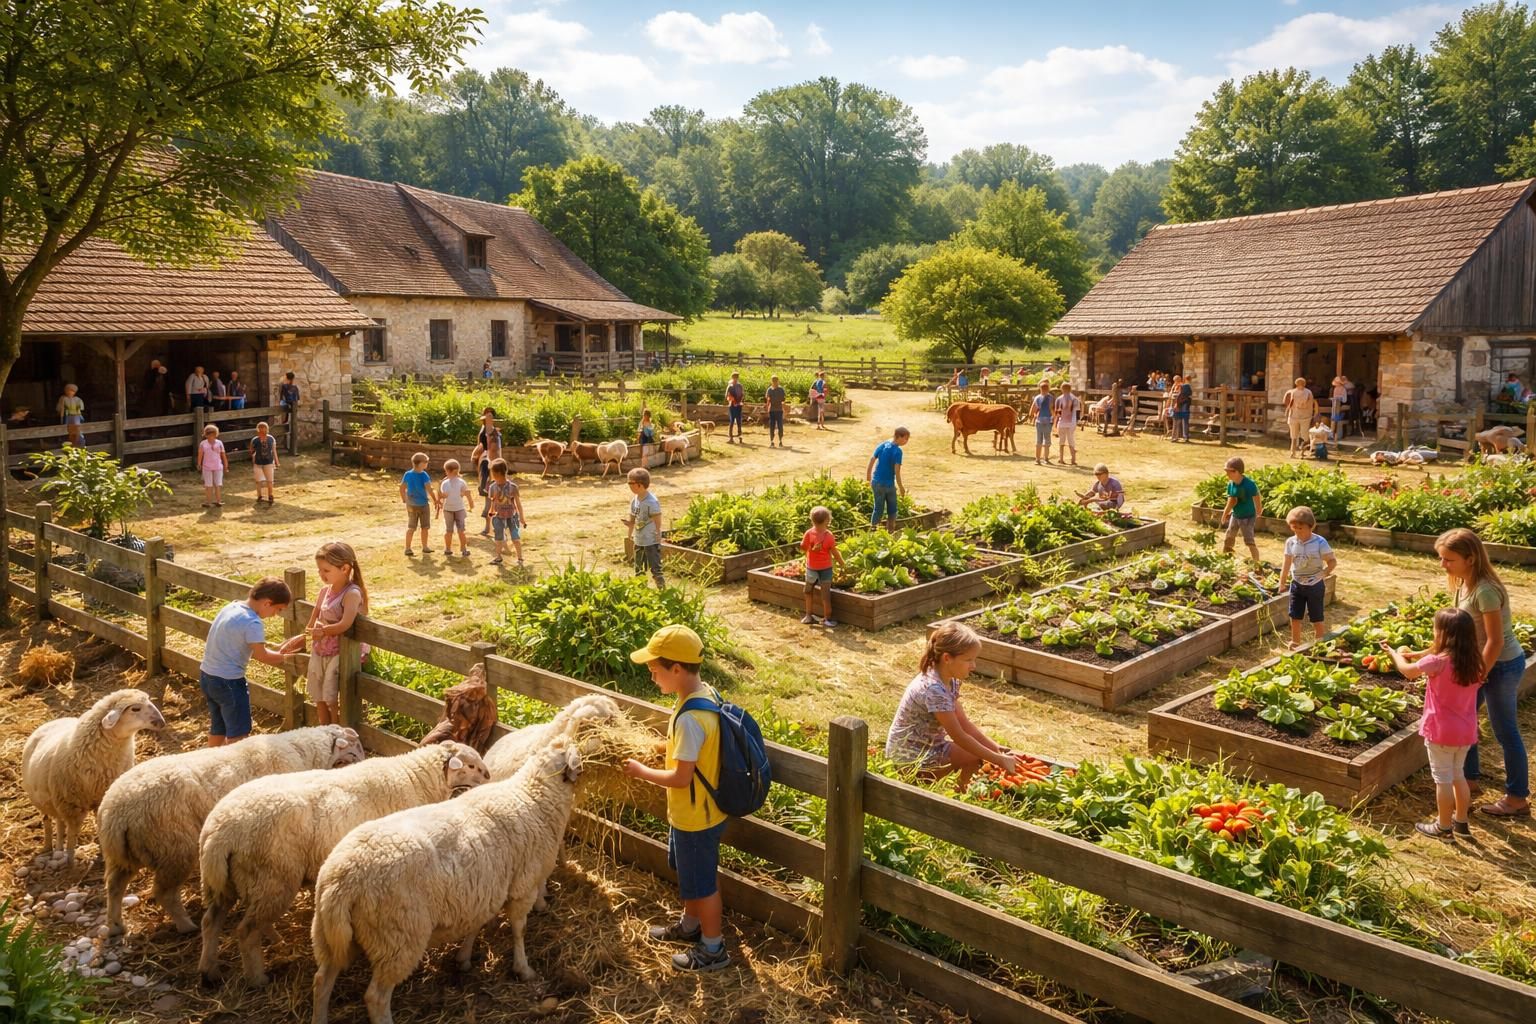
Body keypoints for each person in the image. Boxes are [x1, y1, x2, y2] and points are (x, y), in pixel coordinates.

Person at [622, 625, 731, 972]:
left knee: (703, 884)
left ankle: (713, 949)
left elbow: (681, 778)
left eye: (655, 672)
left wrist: (641, 772)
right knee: (691, 877)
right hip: (696, 813)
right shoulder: (703, 695)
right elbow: (690, 753)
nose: (653, 679)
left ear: (677, 670)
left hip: (696, 816)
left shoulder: (691, 719)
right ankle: (690, 925)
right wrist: (658, 748)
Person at [1435, 528, 1530, 818]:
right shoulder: (1464, 583)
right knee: (1465, 721)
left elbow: (1495, 641)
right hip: (1478, 664)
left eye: (1448, 559)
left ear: (1471, 558)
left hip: (1499, 665)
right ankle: (1469, 779)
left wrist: (1480, 675)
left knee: (1505, 731)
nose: (1443, 565)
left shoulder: (1486, 590)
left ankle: (1517, 798)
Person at [1384, 608, 1484, 839]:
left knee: (1443, 780)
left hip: (1441, 731)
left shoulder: (1436, 661)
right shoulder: (1475, 663)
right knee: (1459, 775)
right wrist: (1416, 656)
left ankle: (1443, 827)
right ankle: (1461, 822)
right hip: (1465, 732)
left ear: (1444, 634)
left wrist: (1395, 654)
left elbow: (1408, 673)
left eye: (1435, 629)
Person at [885, 621, 1018, 792]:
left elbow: (964, 723)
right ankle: (956, 799)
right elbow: (959, 736)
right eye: (968, 660)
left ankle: (959, 794)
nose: (974, 666)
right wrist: (997, 759)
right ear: (947, 658)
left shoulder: (950, 680)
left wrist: (995, 748)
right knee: (976, 753)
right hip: (910, 758)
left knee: (979, 752)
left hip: (930, 747)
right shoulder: (933, 689)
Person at [200, 578, 304, 745]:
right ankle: (236, 768)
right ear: (267, 603)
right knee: (238, 735)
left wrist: (277, 648)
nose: (274, 616)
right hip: (229, 682)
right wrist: (289, 658)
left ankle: (209, 762)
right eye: (277, 610)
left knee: (219, 727)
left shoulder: (231, 607)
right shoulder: (252, 622)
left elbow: (245, 644)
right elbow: (262, 656)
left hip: (208, 676)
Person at [302, 542, 368, 727]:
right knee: (318, 693)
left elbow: (345, 624)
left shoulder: (352, 594)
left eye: (326, 570)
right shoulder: (325, 591)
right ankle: (323, 730)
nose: (322, 575)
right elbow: (313, 619)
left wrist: (322, 631)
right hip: (320, 649)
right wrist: (303, 639)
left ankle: (336, 732)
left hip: (340, 652)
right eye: (319, 570)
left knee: (331, 695)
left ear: (345, 568)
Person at [1281, 506, 1336, 647]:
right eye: (1294, 528)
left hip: (1314, 585)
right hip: (1297, 584)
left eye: (1301, 528)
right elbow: (1286, 563)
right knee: (1295, 615)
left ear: (1311, 527)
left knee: (1316, 616)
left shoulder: (1319, 542)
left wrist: (1323, 574)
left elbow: (1332, 561)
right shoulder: (1290, 542)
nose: (1297, 531)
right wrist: (1282, 583)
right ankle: (1295, 641)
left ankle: (1319, 642)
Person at [800, 505, 845, 628]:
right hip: (825, 568)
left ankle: (808, 615)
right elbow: (834, 552)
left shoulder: (808, 533)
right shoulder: (829, 536)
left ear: (812, 520)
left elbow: (802, 547)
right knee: (825, 594)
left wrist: (811, 550)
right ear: (827, 521)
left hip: (811, 568)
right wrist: (842, 563)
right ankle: (827, 619)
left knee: (808, 591)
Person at [625, 467, 665, 588]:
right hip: (639, 540)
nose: (629, 486)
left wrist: (658, 534)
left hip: (650, 541)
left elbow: (657, 520)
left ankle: (662, 591)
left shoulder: (651, 502)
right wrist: (629, 532)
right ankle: (641, 592)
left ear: (639, 485)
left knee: (655, 568)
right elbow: (632, 518)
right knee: (638, 569)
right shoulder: (635, 500)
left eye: (630, 483)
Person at [1219, 456, 1262, 562]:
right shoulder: (1231, 484)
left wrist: (1258, 509)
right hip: (1236, 515)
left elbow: (1256, 496)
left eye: (1228, 472)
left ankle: (1256, 562)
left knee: (1249, 540)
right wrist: (1225, 513)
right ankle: (1226, 557)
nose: (1227, 474)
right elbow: (1231, 501)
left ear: (1236, 472)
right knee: (1229, 536)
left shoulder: (1249, 484)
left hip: (1247, 517)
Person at [865, 427, 909, 530]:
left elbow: (872, 460)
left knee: (878, 509)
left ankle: (873, 530)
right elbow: (897, 471)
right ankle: (890, 531)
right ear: (899, 437)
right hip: (888, 485)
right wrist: (901, 487)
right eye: (906, 439)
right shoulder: (898, 451)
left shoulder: (882, 445)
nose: (906, 441)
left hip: (876, 482)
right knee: (892, 510)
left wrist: (868, 477)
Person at [486, 457, 526, 566]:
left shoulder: (513, 487)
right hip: (498, 517)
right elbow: (493, 503)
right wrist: (491, 514)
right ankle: (498, 557)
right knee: (498, 538)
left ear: (498, 473)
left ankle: (520, 558)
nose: (492, 474)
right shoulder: (492, 487)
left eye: (492, 472)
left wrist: (521, 517)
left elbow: (518, 504)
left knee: (516, 538)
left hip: (512, 517)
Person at [471, 409, 502, 537]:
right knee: (488, 497)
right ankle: (488, 527)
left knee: (496, 498)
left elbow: (497, 448)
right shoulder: (483, 431)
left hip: (494, 463)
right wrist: (475, 456)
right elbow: (480, 446)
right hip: (485, 463)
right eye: (487, 415)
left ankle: (497, 527)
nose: (489, 417)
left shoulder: (495, 432)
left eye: (491, 415)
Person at [400, 452, 437, 556]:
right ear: (420, 464)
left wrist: (404, 499)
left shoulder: (407, 474)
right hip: (423, 504)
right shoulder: (424, 475)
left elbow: (402, 488)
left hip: (411, 504)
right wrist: (435, 500)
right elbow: (429, 489)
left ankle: (408, 548)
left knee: (411, 527)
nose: (427, 464)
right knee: (424, 527)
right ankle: (424, 547)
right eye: (426, 462)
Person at [438, 458, 474, 558]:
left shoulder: (448, 483)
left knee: (454, 530)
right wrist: (470, 503)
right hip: (454, 509)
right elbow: (466, 494)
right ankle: (459, 549)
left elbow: (444, 495)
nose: (445, 473)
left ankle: (452, 549)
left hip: (454, 509)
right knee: (456, 530)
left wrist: (441, 494)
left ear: (450, 471)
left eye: (446, 471)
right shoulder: (456, 482)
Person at [1283, 377, 1316, 457]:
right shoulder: (1309, 392)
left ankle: (1292, 452)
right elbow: (1312, 404)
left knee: (1293, 436)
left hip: (1293, 416)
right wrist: (1312, 414)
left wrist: (1288, 411)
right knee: (1305, 436)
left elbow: (1285, 402)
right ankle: (1302, 453)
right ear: (1304, 384)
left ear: (1296, 384)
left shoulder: (1291, 392)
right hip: (1305, 416)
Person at [198, 424, 228, 507]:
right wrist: (199, 463)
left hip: (218, 467)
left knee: (217, 484)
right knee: (208, 485)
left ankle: (218, 501)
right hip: (207, 467)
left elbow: (223, 454)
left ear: (216, 434)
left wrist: (226, 465)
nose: (211, 436)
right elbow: (200, 454)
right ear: (206, 434)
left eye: (212, 434)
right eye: (209, 434)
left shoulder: (219, 443)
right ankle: (208, 502)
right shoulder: (203, 444)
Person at [250, 421, 279, 504]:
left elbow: (274, 451)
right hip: (258, 463)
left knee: (270, 480)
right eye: (260, 428)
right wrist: (253, 458)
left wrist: (277, 462)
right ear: (258, 429)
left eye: (264, 427)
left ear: (267, 429)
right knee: (258, 481)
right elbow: (251, 450)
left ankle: (270, 495)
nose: (262, 429)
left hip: (268, 462)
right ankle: (259, 496)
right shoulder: (255, 440)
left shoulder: (271, 438)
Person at [1053, 382, 1082, 466]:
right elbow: (1077, 412)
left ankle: (1061, 459)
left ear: (1062, 389)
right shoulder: (1075, 399)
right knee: (1071, 440)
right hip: (1071, 422)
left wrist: (1055, 424)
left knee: (1061, 441)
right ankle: (1073, 459)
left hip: (1062, 422)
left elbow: (1057, 413)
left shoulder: (1059, 399)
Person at [1028, 380, 1054, 465]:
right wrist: (1054, 417)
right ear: (1048, 389)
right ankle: (1046, 458)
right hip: (1048, 421)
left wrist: (1031, 416)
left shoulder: (1037, 398)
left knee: (1038, 441)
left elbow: (1033, 409)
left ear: (1040, 389)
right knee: (1047, 440)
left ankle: (1037, 459)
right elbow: (1051, 409)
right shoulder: (1050, 397)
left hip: (1039, 421)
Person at [56, 383, 84, 448]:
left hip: (76, 415)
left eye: (72, 391)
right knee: (67, 428)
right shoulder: (63, 399)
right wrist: (61, 416)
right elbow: (61, 408)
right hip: (68, 415)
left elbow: (80, 407)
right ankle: (67, 443)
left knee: (77, 428)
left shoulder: (77, 399)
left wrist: (79, 409)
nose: (70, 392)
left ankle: (78, 443)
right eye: (68, 390)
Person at [764, 376, 786, 447]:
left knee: (780, 426)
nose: (775, 383)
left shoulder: (781, 390)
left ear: (778, 381)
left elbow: (783, 400)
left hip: (779, 410)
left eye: (776, 381)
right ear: (772, 382)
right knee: (772, 426)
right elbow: (767, 400)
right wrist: (767, 408)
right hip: (772, 410)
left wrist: (784, 408)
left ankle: (780, 441)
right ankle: (772, 441)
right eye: (774, 381)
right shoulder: (769, 390)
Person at [1171, 374, 1193, 442]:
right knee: (1183, 421)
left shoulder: (1181, 386)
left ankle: (1175, 437)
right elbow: (1190, 394)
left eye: (1175, 381)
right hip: (1183, 406)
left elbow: (1174, 395)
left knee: (1177, 421)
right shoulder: (1185, 386)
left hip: (1179, 405)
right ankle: (1184, 437)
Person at [724, 373, 745, 444]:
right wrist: (731, 399)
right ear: (732, 378)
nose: (735, 379)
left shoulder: (740, 386)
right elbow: (726, 396)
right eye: (734, 377)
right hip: (732, 405)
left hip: (738, 405)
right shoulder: (730, 386)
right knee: (732, 421)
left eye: (736, 377)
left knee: (739, 421)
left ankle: (740, 436)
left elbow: (742, 395)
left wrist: (740, 401)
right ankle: (731, 437)